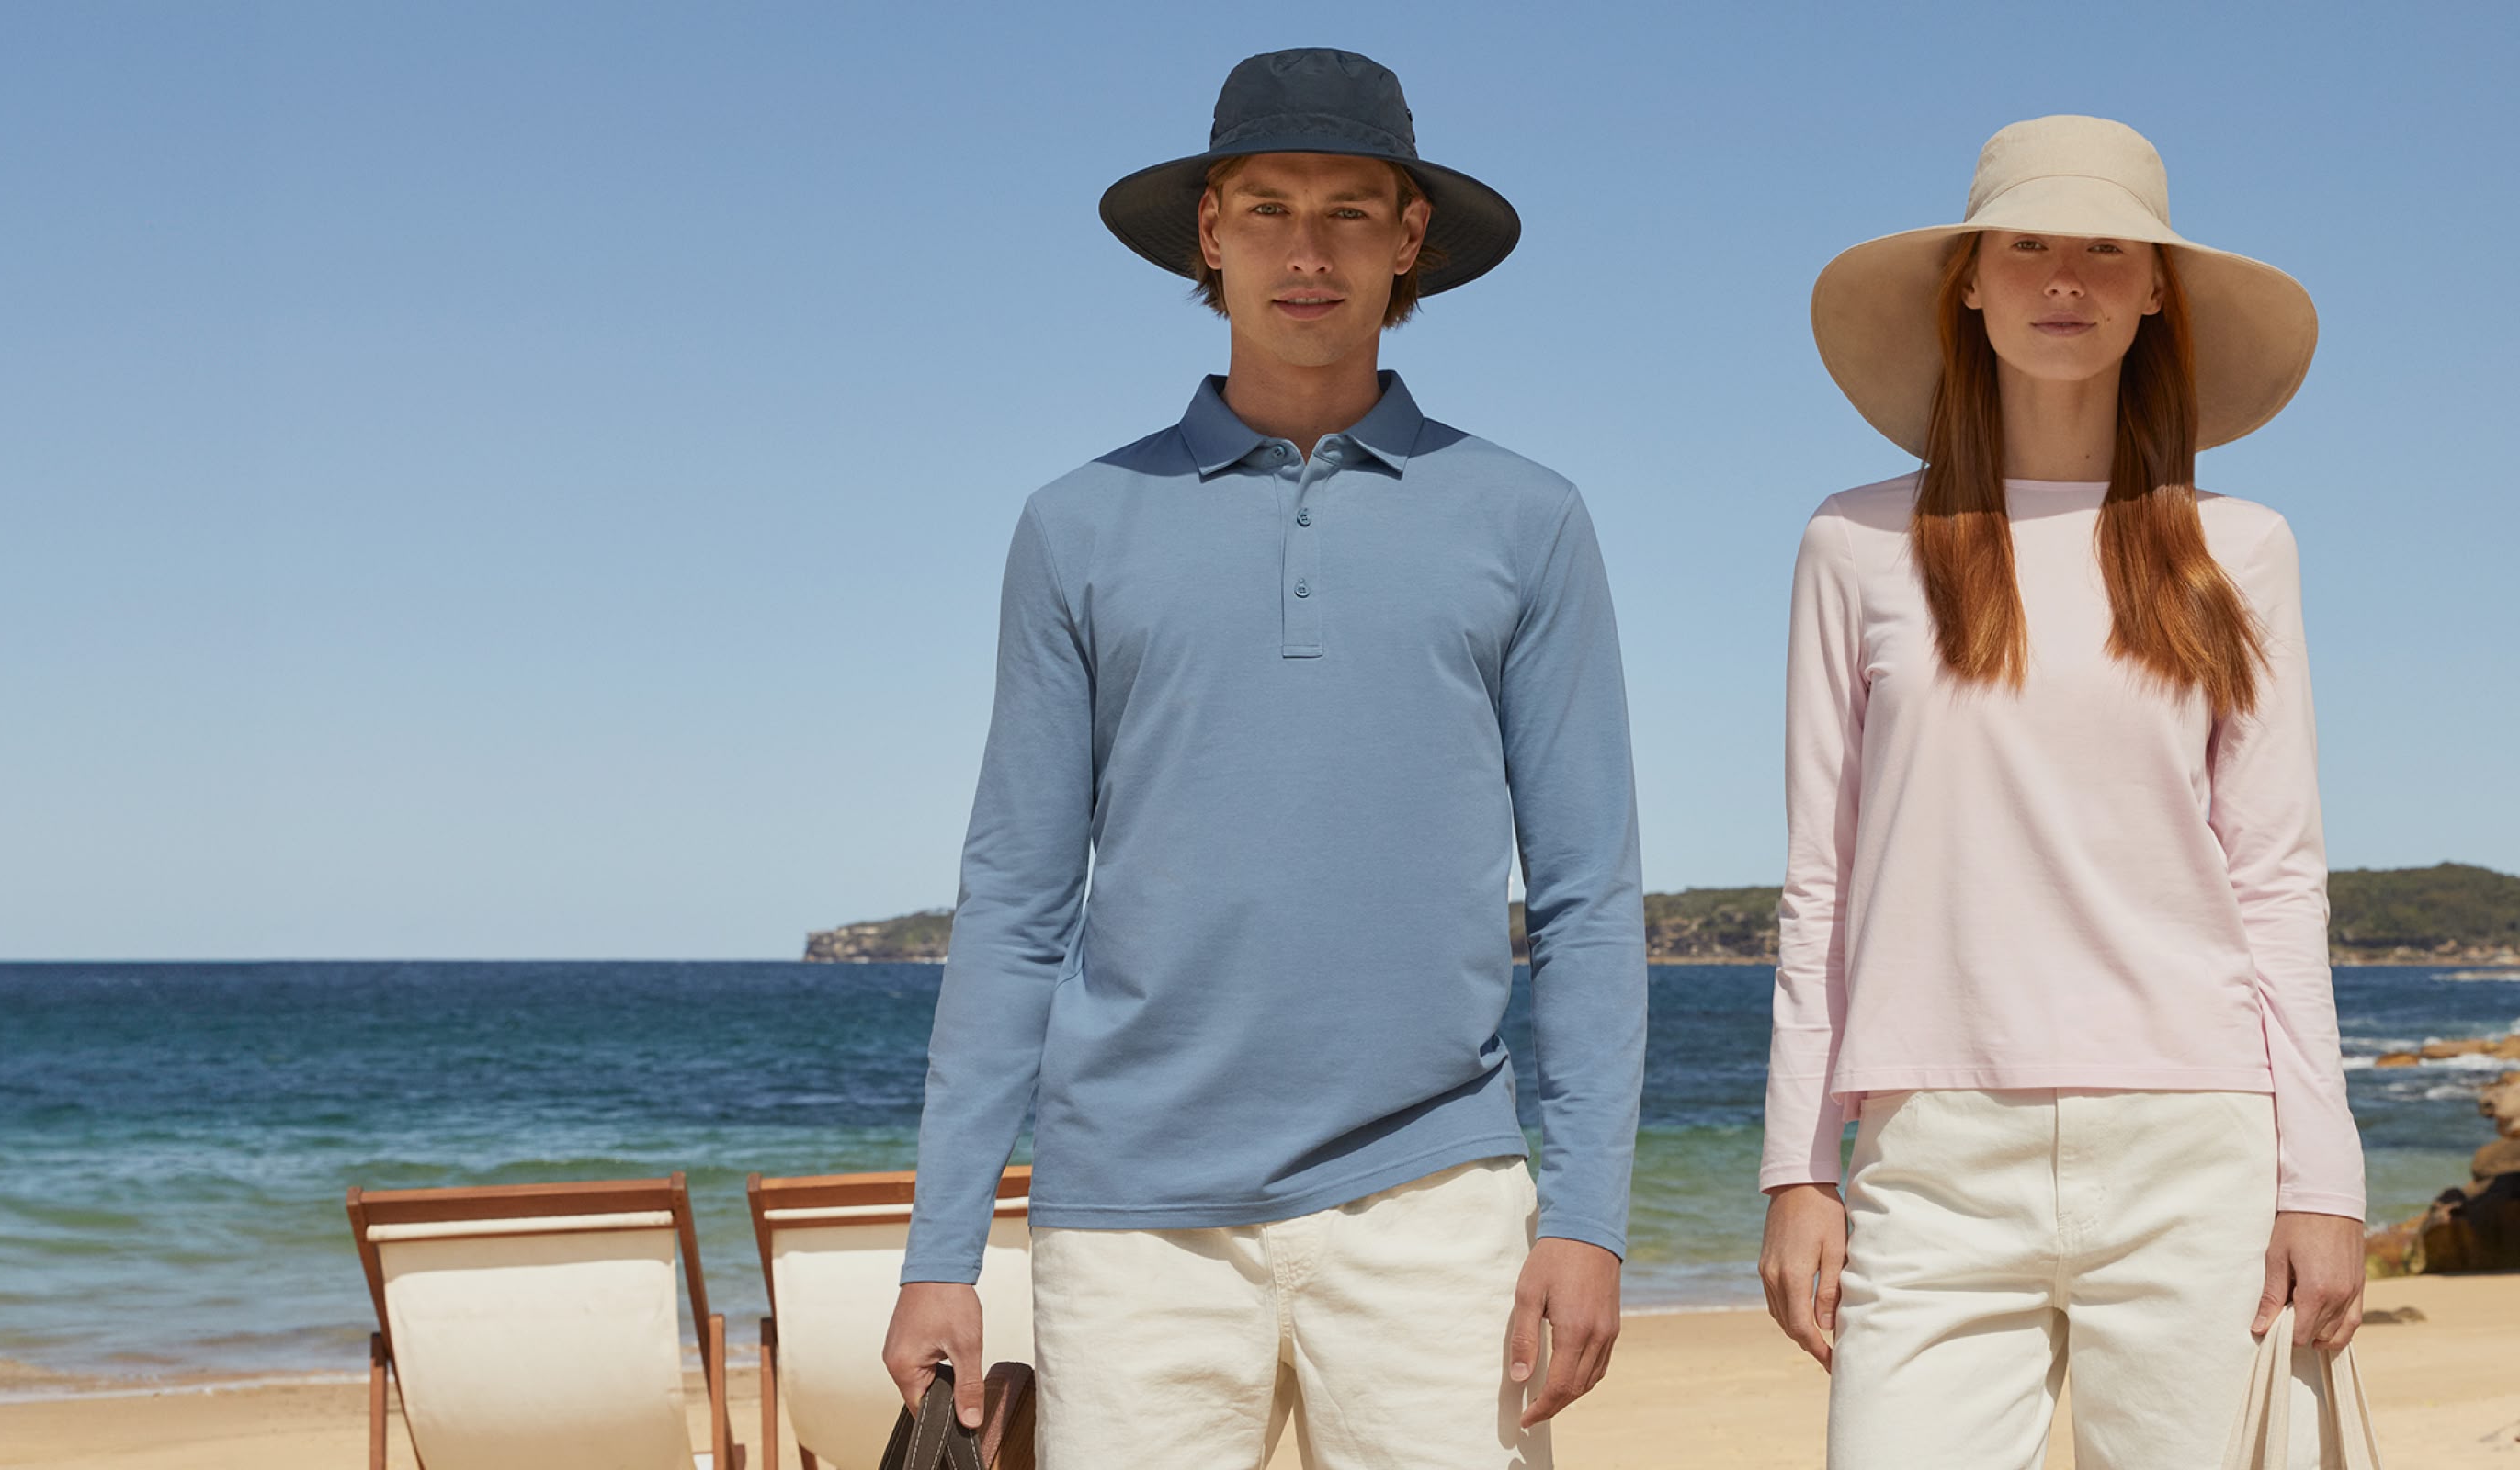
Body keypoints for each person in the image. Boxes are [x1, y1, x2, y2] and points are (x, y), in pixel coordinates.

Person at [882, 48, 1645, 1470]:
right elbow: (1015, 902)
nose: (1310, 251)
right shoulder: (1078, 525)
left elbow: (1592, 895)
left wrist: (1588, 1215)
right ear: (1209, 233)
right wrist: (943, 1245)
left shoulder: (1528, 519)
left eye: (1353, 210)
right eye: (1270, 208)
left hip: (1436, 1201)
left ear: (1409, 239)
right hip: (1132, 1229)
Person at [1755, 115, 2364, 1467]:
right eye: (2027, 244)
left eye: (2109, 249)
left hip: (2197, 1149)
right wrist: (1797, 1168)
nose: (2066, 279)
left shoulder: (2239, 550)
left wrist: (2322, 1182)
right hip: (1932, 1153)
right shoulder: (1855, 544)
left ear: (2159, 293)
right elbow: (1824, 879)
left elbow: (2275, 884)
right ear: (1969, 281)